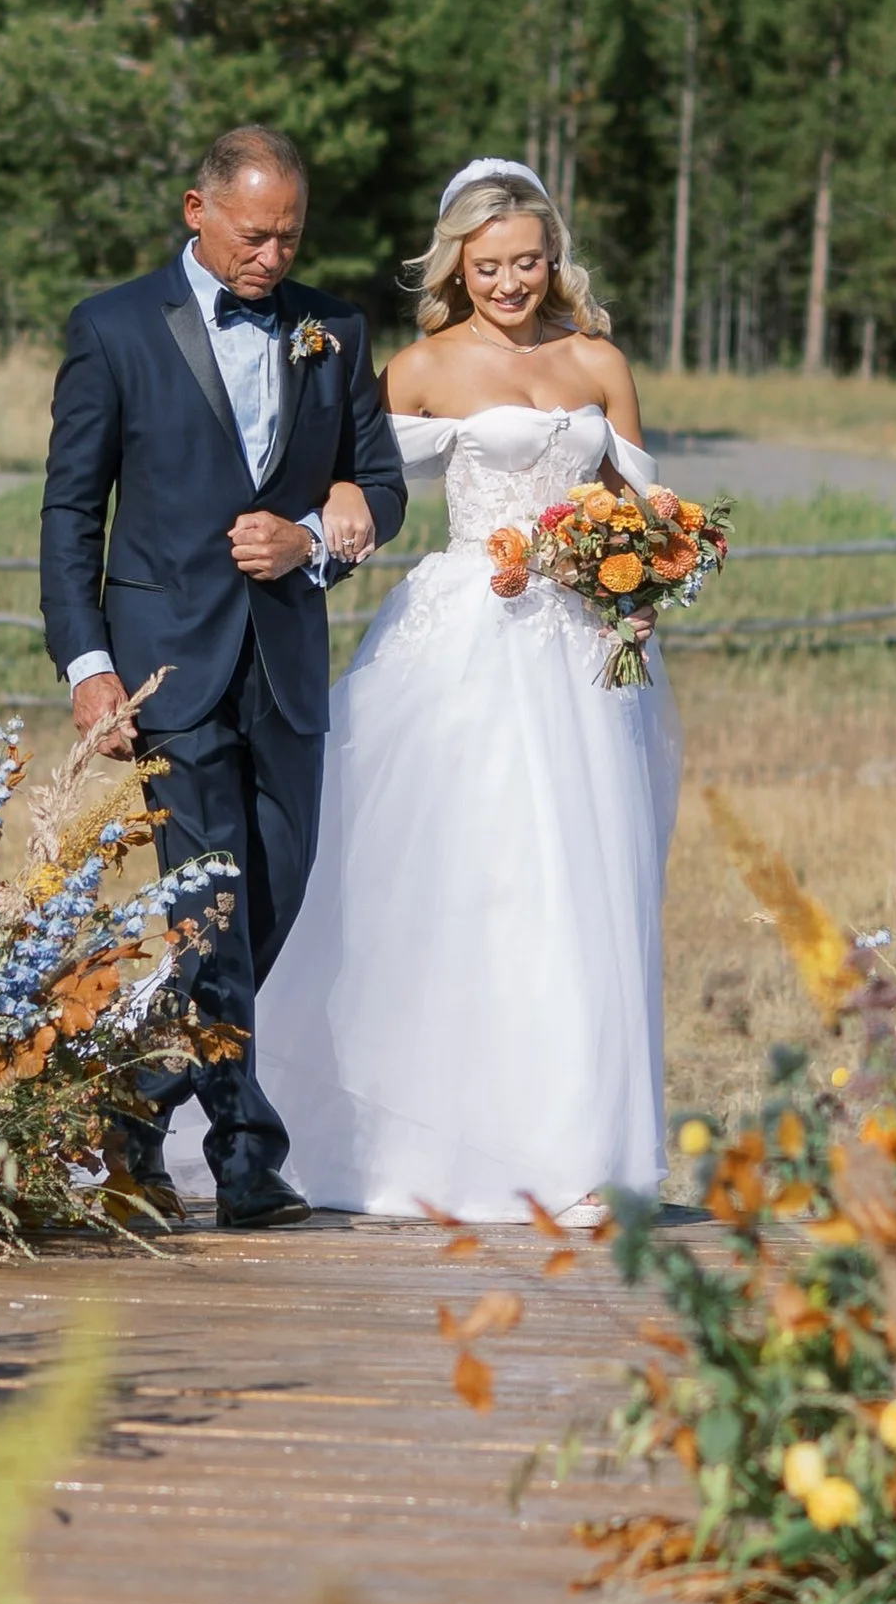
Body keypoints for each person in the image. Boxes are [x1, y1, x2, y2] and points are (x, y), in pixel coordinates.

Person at [252, 159, 683, 1221]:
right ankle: (408, 1128)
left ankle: (578, 1149)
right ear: (458, 265)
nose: (509, 282)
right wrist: (332, 510)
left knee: (582, 885)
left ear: (552, 259)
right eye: (488, 266)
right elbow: (358, 479)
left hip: (581, 645)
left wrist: (641, 562)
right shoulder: (421, 367)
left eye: (527, 262)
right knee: (467, 876)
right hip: (470, 635)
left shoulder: (596, 361)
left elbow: (650, 502)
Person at [38, 125, 406, 1228]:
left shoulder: (333, 330)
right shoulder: (109, 329)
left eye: (291, 236)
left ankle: (132, 1108)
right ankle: (248, 1157)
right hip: (166, 669)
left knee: (272, 897)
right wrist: (88, 668)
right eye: (256, 234)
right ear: (197, 211)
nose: (274, 257)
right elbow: (69, 513)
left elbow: (378, 486)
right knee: (211, 904)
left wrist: (315, 537)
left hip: (286, 667)